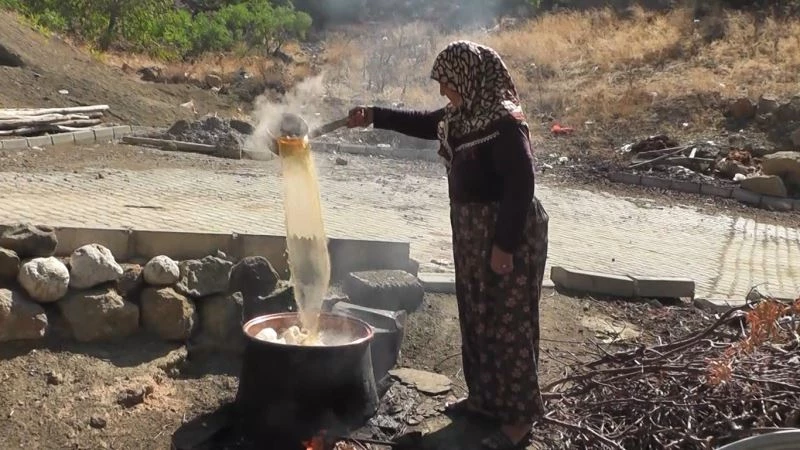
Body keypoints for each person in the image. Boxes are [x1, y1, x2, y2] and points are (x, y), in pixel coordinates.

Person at [346, 40, 549, 450]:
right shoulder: (464, 114)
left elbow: (522, 183)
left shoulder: (504, 122)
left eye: (448, 83)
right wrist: (374, 116)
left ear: (470, 78)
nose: (444, 93)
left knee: (508, 325)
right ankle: (485, 401)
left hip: (506, 234)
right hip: (473, 231)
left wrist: (504, 246)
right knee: (477, 317)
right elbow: (425, 122)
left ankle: (518, 420)